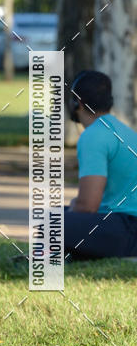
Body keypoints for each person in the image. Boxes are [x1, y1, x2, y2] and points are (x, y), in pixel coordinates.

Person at [65, 70, 137, 259]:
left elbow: (88, 206)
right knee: (62, 215)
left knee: (52, 222)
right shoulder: (124, 131)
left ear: (76, 103)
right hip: (126, 222)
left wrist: (74, 208)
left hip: (128, 228)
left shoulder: (93, 135)